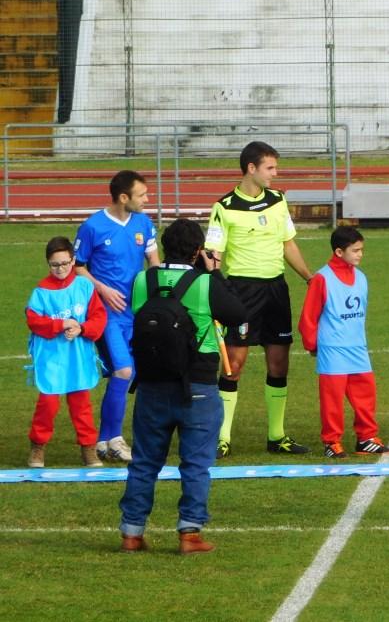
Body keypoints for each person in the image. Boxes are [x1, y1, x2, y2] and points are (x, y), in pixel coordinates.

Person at [118, 218, 247, 554]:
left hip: (151, 382)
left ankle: (132, 532)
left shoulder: (144, 279)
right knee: (196, 462)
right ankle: (189, 533)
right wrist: (214, 272)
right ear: (197, 250)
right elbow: (237, 313)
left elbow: (137, 314)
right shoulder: (205, 283)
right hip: (199, 383)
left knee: (145, 461)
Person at [205, 141, 316, 458]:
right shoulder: (224, 207)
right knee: (233, 365)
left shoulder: (279, 201)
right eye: (270, 167)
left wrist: (308, 277)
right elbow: (214, 254)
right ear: (251, 169)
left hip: (276, 291)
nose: (275, 173)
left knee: (279, 363)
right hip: (241, 293)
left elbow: (288, 243)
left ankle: (277, 436)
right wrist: (213, 287)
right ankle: (221, 437)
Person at [74, 170, 160, 463]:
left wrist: (155, 292)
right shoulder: (93, 227)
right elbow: (79, 267)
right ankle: (116, 439)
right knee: (123, 371)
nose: (148, 200)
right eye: (142, 195)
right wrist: (103, 289)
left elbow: (154, 262)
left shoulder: (144, 224)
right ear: (124, 198)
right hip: (108, 314)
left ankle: (103, 441)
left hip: (137, 314)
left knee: (129, 374)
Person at [298, 225, 389, 458]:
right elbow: (308, 316)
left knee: (365, 395)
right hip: (333, 349)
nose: (360, 254)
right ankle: (332, 442)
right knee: (332, 401)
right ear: (339, 252)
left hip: (357, 348)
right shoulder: (322, 278)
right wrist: (312, 345)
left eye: (361, 249)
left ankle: (367, 438)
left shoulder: (361, 278)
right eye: (355, 250)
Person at [26, 236, 107, 469]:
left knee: (82, 405)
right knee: (48, 404)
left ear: (73, 261)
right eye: (54, 264)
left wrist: (82, 328)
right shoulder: (41, 291)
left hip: (78, 357)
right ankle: (38, 447)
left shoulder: (85, 286)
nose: (60, 269)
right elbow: (33, 320)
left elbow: (98, 318)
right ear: (47, 264)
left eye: (64, 263)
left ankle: (89, 449)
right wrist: (58, 325)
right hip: (51, 357)